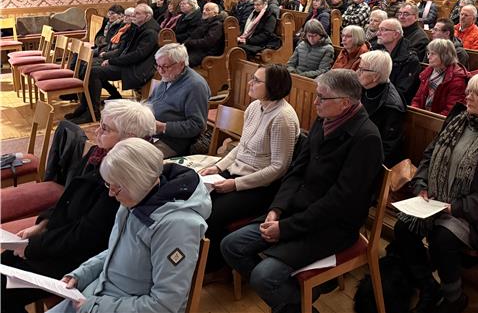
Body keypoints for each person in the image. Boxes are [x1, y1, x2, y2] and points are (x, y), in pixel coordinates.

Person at [220, 70, 383, 313]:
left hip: (331, 226)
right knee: (231, 245)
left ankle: (292, 300)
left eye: (321, 98)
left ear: (345, 103)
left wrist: (285, 228)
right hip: (296, 210)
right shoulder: (325, 119)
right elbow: (296, 170)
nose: (315, 102)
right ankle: (294, 301)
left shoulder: (366, 138)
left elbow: (340, 201)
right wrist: (276, 209)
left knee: (264, 276)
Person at [0, 101, 156, 313]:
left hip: (79, 258)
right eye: (100, 124)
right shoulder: (96, 154)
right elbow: (67, 200)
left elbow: (86, 236)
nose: (96, 130)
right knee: (6, 262)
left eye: (105, 128)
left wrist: (34, 247)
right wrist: (42, 226)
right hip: (61, 240)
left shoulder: (122, 179)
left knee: (4, 290)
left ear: (129, 139)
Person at [393, 73, 478, 313]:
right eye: (469, 91)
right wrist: (422, 185)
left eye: (477, 93)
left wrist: (457, 207)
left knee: (442, 236)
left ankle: (453, 297)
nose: (469, 96)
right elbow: (430, 155)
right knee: (403, 228)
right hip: (437, 200)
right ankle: (427, 285)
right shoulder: (458, 121)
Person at [49, 138, 211, 313]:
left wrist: (95, 308)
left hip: (118, 305)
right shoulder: (136, 198)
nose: (111, 194)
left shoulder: (177, 227)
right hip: (100, 296)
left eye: (116, 187)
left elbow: (164, 305)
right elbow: (118, 250)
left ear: (137, 181)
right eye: (108, 185)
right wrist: (83, 273)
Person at [199, 64, 300, 274]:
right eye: (252, 78)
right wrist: (217, 166)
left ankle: (217, 267)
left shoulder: (283, 118)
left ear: (273, 86)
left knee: (214, 213)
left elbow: (278, 168)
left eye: (256, 80)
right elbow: (241, 147)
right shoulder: (255, 107)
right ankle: (200, 258)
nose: (250, 83)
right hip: (237, 174)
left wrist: (235, 184)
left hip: (261, 187)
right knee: (198, 201)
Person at [68, 3, 159, 124]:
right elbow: (123, 49)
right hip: (128, 64)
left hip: (136, 69)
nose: (133, 16)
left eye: (137, 14)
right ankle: (85, 107)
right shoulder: (138, 26)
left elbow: (137, 56)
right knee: (90, 68)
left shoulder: (150, 32)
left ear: (147, 16)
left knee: (94, 72)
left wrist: (111, 61)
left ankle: (92, 112)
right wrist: (110, 59)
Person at [144, 43, 210, 157]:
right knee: (116, 144)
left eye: (165, 66)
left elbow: (197, 126)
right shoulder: (170, 76)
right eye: (158, 66)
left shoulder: (195, 86)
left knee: (135, 159)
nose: (160, 71)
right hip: (151, 132)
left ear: (181, 64)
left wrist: (163, 127)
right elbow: (151, 101)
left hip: (173, 142)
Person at [357, 51, 406, 167]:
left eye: (362, 69)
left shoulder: (391, 106)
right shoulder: (363, 87)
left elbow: (387, 147)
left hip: (370, 160)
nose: (357, 72)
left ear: (376, 76)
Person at [412, 39, 469, 116]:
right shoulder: (429, 70)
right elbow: (417, 99)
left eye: (433, 54)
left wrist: (428, 121)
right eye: (428, 53)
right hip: (424, 116)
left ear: (444, 56)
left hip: (439, 121)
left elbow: (450, 110)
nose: (428, 57)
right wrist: (415, 113)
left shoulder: (457, 79)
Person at [373, 18, 421, 103]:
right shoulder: (376, 50)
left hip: (392, 104)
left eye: (383, 30)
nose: (378, 33)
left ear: (396, 34)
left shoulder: (410, 60)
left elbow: (401, 93)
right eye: (378, 29)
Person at [184, 2, 225, 67]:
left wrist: (190, 43)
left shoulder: (217, 25)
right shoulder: (204, 21)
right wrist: (185, 43)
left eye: (207, 10)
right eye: (203, 9)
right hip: (198, 49)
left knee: (183, 62)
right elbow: (194, 35)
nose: (204, 11)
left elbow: (208, 42)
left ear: (215, 13)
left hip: (207, 52)